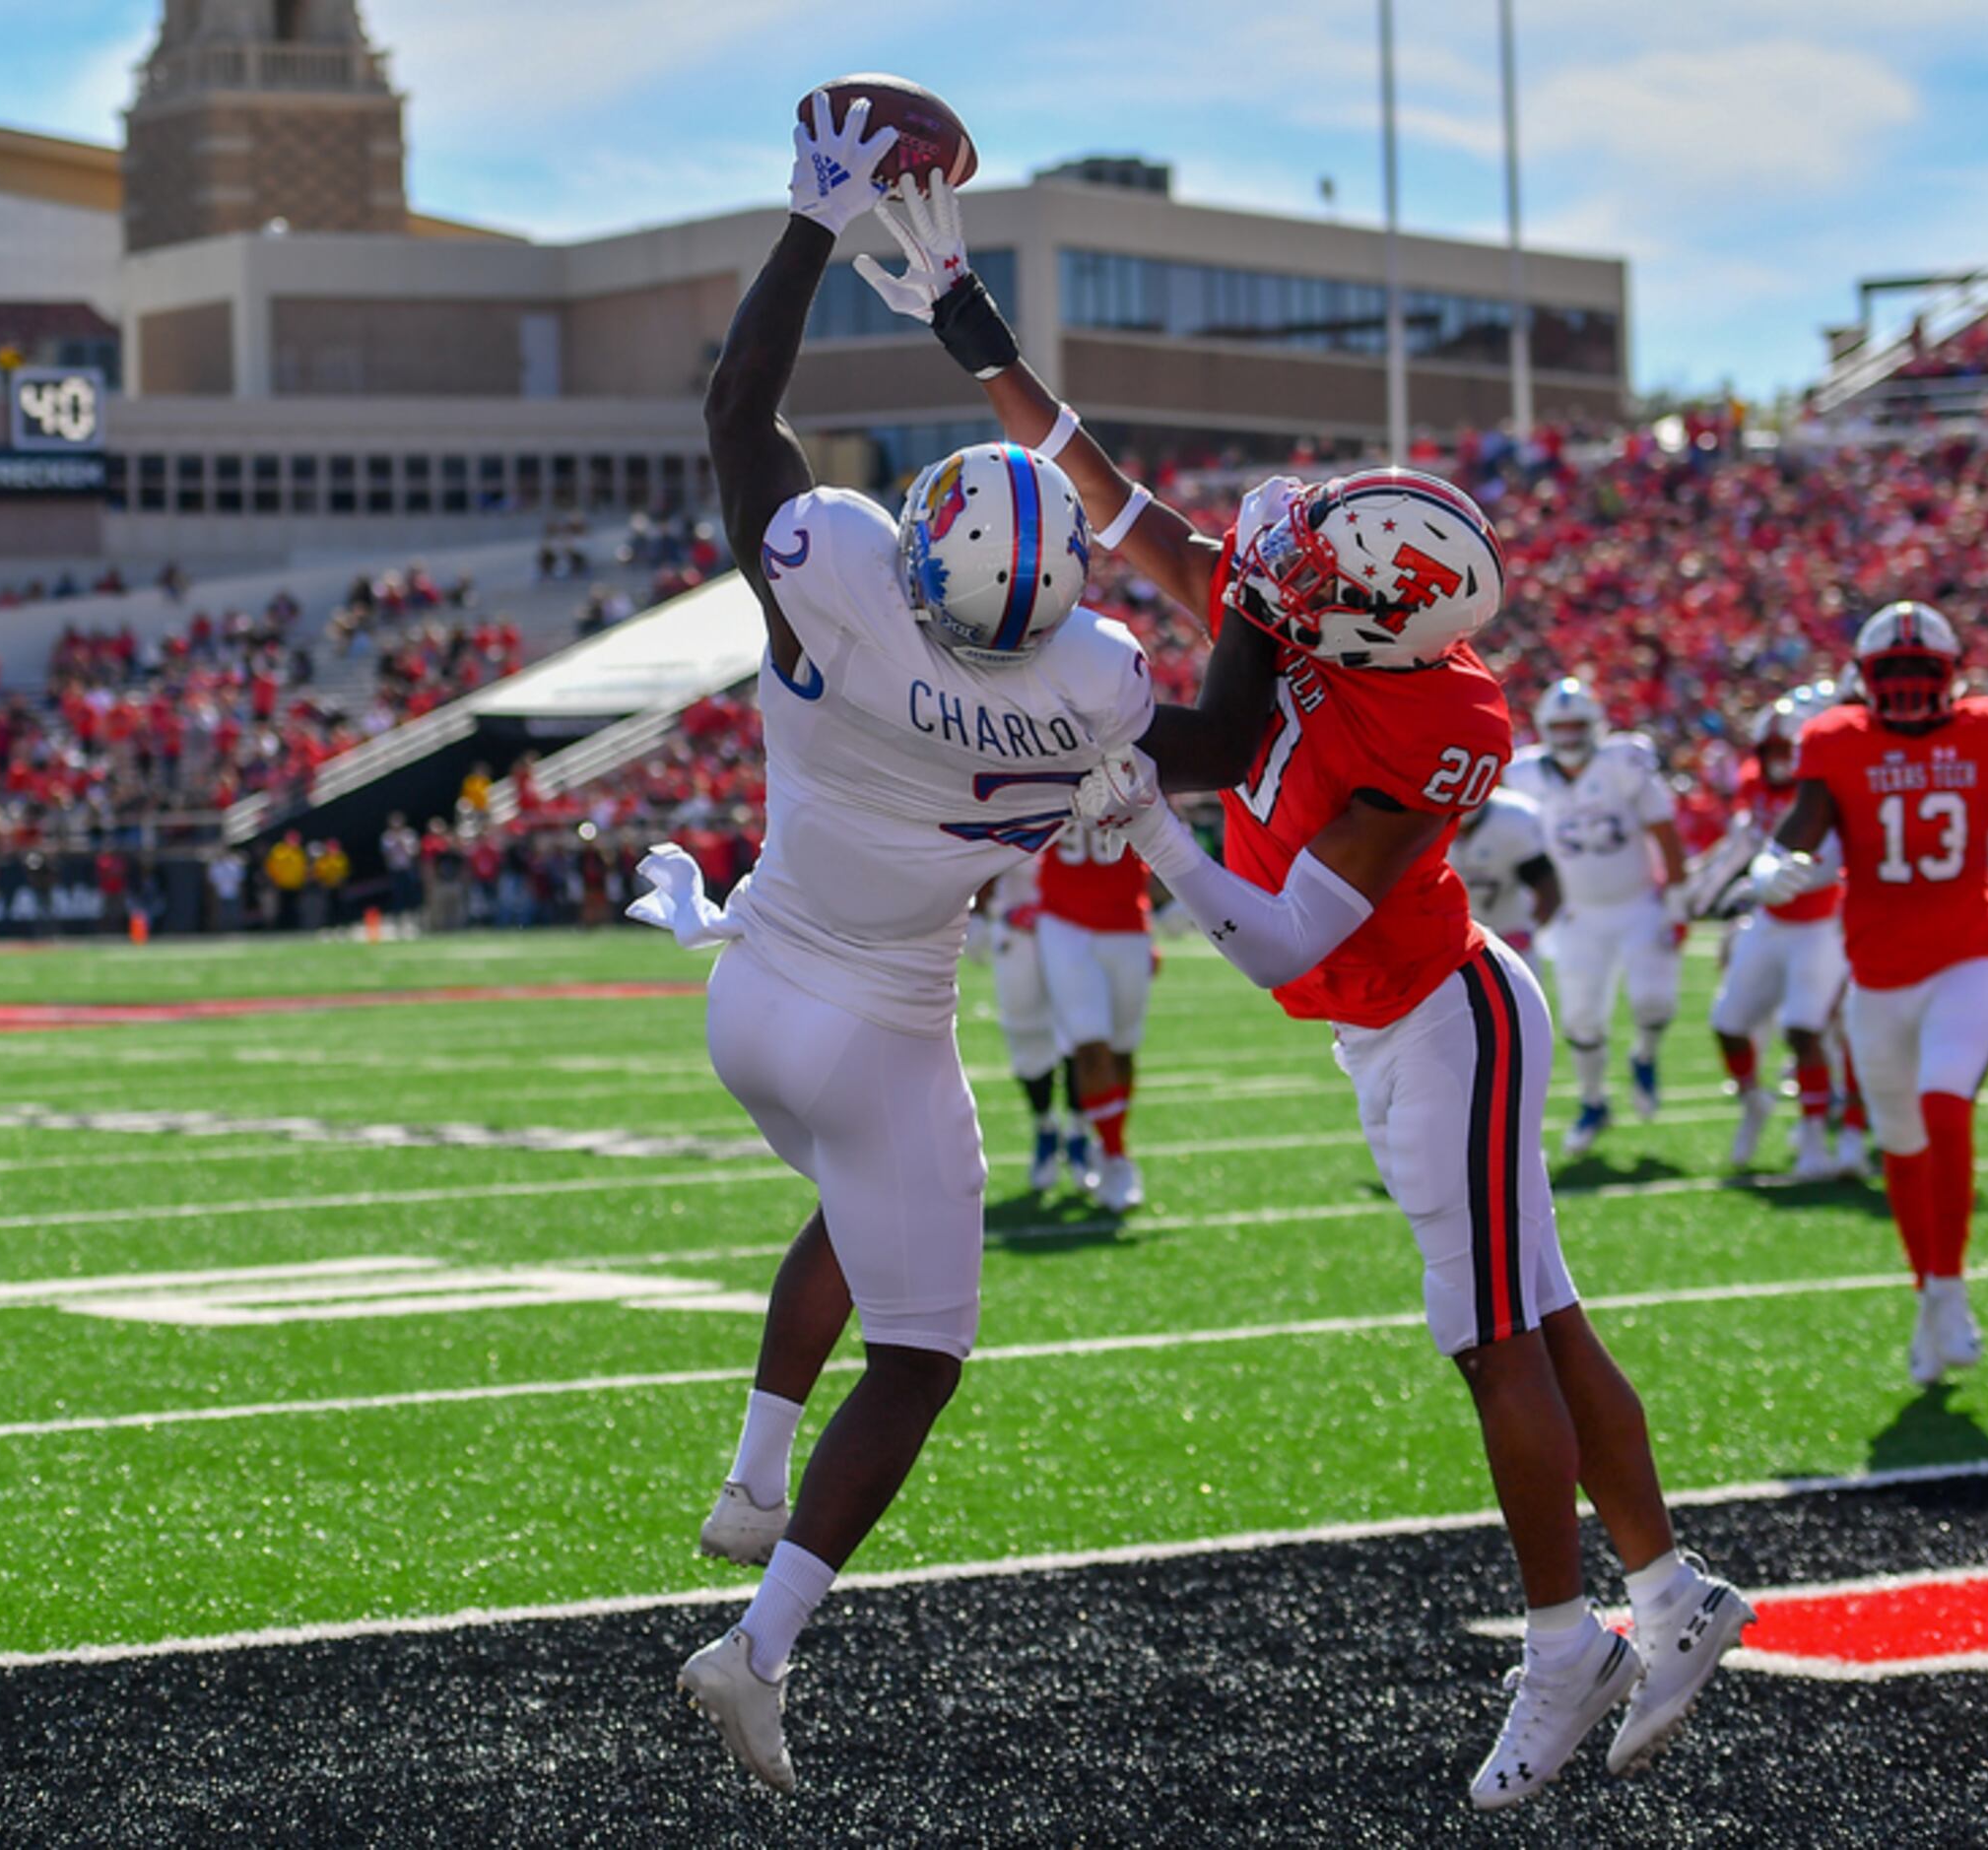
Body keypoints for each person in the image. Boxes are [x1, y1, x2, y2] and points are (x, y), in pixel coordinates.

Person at [856, 168, 1749, 1809]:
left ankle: (1568, 1641)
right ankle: (1673, 1589)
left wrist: (1153, 848)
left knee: (1493, 1341)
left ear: (1384, 622)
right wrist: (969, 326)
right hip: (1396, 1023)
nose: (1273, 585)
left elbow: (1277, 937)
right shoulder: (1328, 628)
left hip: (1441, 1021)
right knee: (1540, 1316)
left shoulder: (1423, 735)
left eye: (1315, 584)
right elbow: (1106, 495)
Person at [643, 97, 1196, 1795]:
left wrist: (810, 215)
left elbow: (741, 404)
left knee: (857, 1209)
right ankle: (758, 1648)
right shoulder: (1096, 686)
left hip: (755, 991)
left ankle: (752, 1472)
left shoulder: (840, 568)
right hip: (882, 1021)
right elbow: (1190, 640)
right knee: (924, 1348)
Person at [1754, 603, 1988, 1384]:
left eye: (1924, 672)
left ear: (1953, 675)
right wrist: (1766, 871)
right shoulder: (1834, 741)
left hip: (1968, 958)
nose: (1911, 688)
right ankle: (1932, 1298)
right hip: (1876, 975)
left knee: (1945, 1108)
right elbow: (1794, 834)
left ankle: (1947, 1288)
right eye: (1896, 673)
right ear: (1864, 681)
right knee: (1902, 1149)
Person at [1505, 678, 1689, 1157]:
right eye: (1559, 727)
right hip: (1576, 912)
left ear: (1595, 726)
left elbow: (1664, 830)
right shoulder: (1523, 774)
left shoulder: (1623, 764)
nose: (1567, 736)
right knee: (1581, 1017)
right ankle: (1593, 1103)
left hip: (1636, 904)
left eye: (1576, 726)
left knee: (1654, 1000)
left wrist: (1676, 897)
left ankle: (1644, 1057)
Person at [1700, 694, 1847, 1175]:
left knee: (1805, 1030)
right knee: (1727, 1023)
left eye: (1789, 748)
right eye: (1772, 748)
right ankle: (1754, 1102)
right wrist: (1709, 887)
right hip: (1769, 921)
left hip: (1819, 924)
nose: (1780, 759)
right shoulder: (1754, 785)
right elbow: (1749, 840)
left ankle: (1813, 1138)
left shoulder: (1827, 789)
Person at [1033, 816, 1157, 1210]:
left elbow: (1161, 831)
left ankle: (1110, 1144)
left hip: (1125, 920)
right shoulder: (1041, 756)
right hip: (1063, 920)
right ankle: (1114, 1152)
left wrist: (1172, 900)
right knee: (1089, 1044)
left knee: (1122, 1049)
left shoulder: (1136, 758)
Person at [971, 859, 1089, 1192]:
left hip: (1076, 925)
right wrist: (978, 913)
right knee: (1025, 1032)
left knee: (1084, 1031)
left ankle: (1080, 1131)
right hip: (1018, 930)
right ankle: (1046, 1126)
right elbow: (978, 852)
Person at [1448, 783, 1556, 958]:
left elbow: (1544, 881)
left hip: (1509, 921)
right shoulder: (1422, 820)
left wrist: (1533, 928)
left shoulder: (1514, 817)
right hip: (1451, 925)